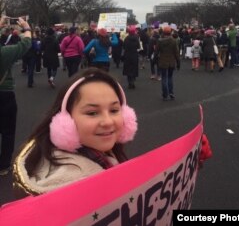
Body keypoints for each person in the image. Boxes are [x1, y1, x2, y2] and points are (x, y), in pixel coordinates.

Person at [13, 67, 138, 197]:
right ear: (66, 122)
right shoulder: (76, 182)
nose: (107, 122)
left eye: (114, 110)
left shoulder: (92, 154)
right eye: (92, 113)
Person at [0, 16, 32, 176]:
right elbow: (26, 44)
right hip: (4, 93)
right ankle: (4, 165)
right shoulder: (5, 53)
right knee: (7, 131)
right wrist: (26, 28)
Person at [155, 26, 180, 101]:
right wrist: (178, 63)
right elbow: (176, 53)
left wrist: (154, 60)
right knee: (170, 77)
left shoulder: (160, 41)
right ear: (170, 32)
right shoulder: (173, 41)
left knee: (164, 78)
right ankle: (171, 92)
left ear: (163, 32)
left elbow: (156, 52)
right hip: (171, 62)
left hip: (163, 61)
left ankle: (165, 94)